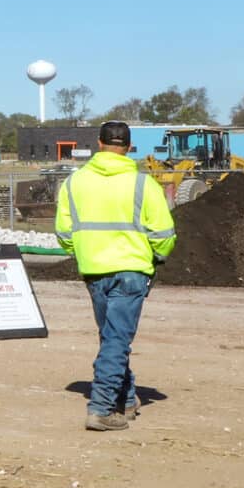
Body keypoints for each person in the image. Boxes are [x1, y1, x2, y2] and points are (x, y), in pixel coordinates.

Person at [55, 121, 176, 431]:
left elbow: (64, 233)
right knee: (116, 339)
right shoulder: (143, 185)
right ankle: (102, 407)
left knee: (111, 337)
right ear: (129, 146)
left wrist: (86, 250)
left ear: (99, 143)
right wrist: (156, 256)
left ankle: (127, 397)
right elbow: (164, 234)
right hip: (132, 270)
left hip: (94, 270)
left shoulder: (73, 183)